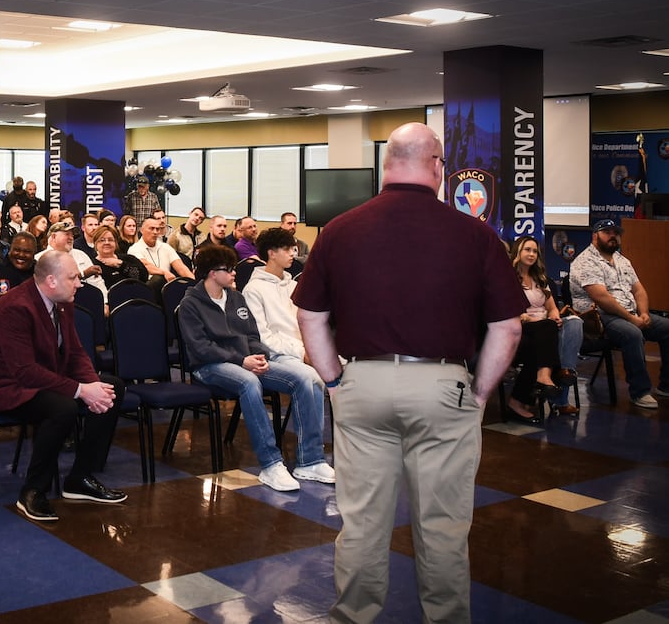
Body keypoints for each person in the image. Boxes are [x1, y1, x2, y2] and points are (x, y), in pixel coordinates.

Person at [293, 122, 524, 623]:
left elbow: (310, 317)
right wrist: (479, 394)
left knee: (360, 524)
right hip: (443, 387)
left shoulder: (338, 230)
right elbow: (507, 328)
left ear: (386, 163)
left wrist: (334, 381)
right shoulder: (475, 234)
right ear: (438, 165)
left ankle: (352, 616)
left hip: (362, 384)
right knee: (442, 528)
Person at [0, 251, 127, 522]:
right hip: (2, 386)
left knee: (112, 387)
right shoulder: (16, 307)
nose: (79, 283)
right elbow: (25, 372)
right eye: (73, 277)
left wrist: (93, 386)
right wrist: (80, 390)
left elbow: (75, 353)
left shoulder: (62, 301)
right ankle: (33, 491)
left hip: (41, 379)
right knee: (62, 407)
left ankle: (79, 477)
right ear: (51, 280)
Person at [178, 244, 334, 491]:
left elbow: (251, 336)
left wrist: (260, 356)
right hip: (209, 366)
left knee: (307, 378)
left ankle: (311, 460)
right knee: (248, 381)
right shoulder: (190, 304)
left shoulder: (236, 298)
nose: (233, 274)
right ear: (211, 273)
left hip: (246, 361)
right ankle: (271, 464)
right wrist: (242, 360)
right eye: (228, 270)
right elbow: (201, 348)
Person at [570, 218, 669, 409]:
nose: (613, 236)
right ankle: (640, 392)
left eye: (616, 233)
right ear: (595, 236)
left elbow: (639, 290)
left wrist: (644, 313)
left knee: (667, 328)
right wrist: (632, 319)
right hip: (598, 317)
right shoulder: (585, 261)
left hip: (630, 313)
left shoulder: (623, 261)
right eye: (607, 232)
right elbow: (601, 298)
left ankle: (666, 385)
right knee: (632, 334)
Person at [506, 236, 579, 422]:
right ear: (517, 252)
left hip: (543, 329)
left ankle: (521, 398)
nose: (531, 254)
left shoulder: (540, 278)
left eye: (534, 251)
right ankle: (550, 375)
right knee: (545, 330)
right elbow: (508, 307)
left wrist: (554, 314)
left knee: (572, 323)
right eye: (527, 250)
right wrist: (512, 271)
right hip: (520, 326)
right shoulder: (508, 277)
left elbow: (552, 306)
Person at [242, 228, 308, 361]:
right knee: (313, 378)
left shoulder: (294, 286)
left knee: (344, 366)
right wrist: (302, 353)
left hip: (305, 349)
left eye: (292, 249)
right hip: (278, 355)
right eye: (286, 249)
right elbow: (263, 337)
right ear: (272, 253)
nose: (292, 254)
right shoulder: (253, 290)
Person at [35, 222, 107, 301]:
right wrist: (83, 274)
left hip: (87, 304)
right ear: (54, 236)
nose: (71, 238)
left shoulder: (81, 255)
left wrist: (105, 302)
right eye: (67, 234)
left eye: (72, 235)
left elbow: (97, 282)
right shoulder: (39, 259)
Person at [128, 217, 194, 291]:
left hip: (166, 288)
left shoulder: (165, 247)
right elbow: (145, 265)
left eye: (157, 229)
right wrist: (164, 272)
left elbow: (181, 268)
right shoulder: (134, 249)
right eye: (151, 228)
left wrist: (195, 283)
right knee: (157, 279)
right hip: (145, 288)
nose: (155, 232)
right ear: (142, 230)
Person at [0, 231, 36, 302]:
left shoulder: (40, 272)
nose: (21, 255)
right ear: (10, 249)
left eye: (27, 252)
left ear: (34, 253)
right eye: (17, 250)